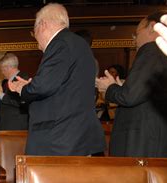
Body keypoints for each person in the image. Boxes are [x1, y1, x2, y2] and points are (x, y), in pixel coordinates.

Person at [9, 3, 105, 156]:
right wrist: (34, 85)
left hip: (60, 139)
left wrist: (23, 89)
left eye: (34, 33)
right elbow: (61, 85)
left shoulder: (59, 44)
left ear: (43, 25)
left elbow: (44, 86)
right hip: (78, 136)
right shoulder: (80, 44)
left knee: (58, 181)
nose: (37, 43)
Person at [96, 11, 167, 157]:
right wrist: (121, 88)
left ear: (152, 27)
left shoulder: (152, 50)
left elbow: (129, 96)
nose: (134, 40)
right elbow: (141, 93)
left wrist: (109, 89)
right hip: (159, 140)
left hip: (142, 143)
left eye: (136, 34)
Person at [0, 53, 29, 130]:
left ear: (8, 68)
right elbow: (3, 104)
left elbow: (20, 103)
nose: (2, 72)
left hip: (16, 126)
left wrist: (1, 94)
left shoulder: (23, 79)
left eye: (2, 69)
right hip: (5, 124)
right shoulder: (5, 82)